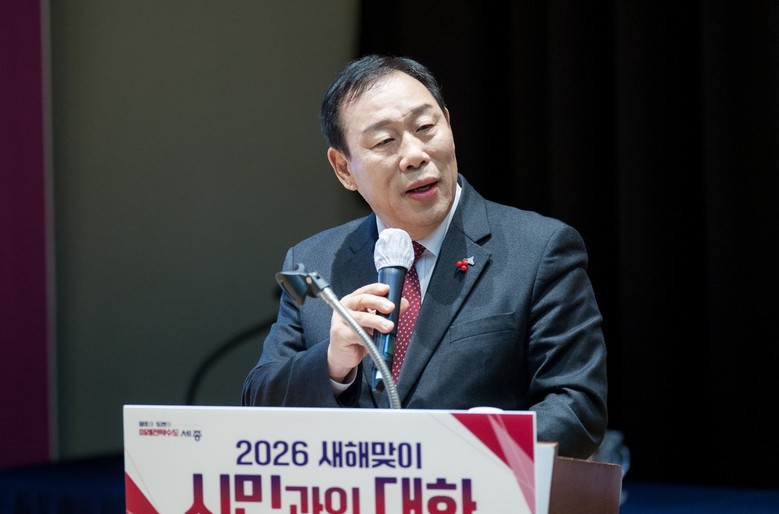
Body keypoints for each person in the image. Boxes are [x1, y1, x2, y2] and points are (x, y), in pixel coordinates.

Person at [242, 54, 607, 459]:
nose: (415, 155)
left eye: (425, 128)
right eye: (385, 141)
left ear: (448, 124)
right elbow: (259, 400)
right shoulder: (313, 262)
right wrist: (331, 363)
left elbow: (578, 408)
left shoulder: (540, 249)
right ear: (343, 168)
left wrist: (467, 450)